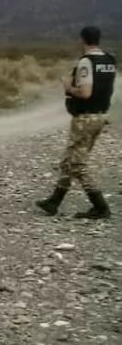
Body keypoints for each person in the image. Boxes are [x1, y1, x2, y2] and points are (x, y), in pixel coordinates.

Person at [36, 25, 116, 219]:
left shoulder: (86, 62)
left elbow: (85, 93)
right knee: (69, 159)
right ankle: (54, 201)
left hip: (85, 118)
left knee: (78, 164)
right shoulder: (109, 60)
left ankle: (100, 206)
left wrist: (69, 87)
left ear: (82, 40)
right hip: (100, 115)